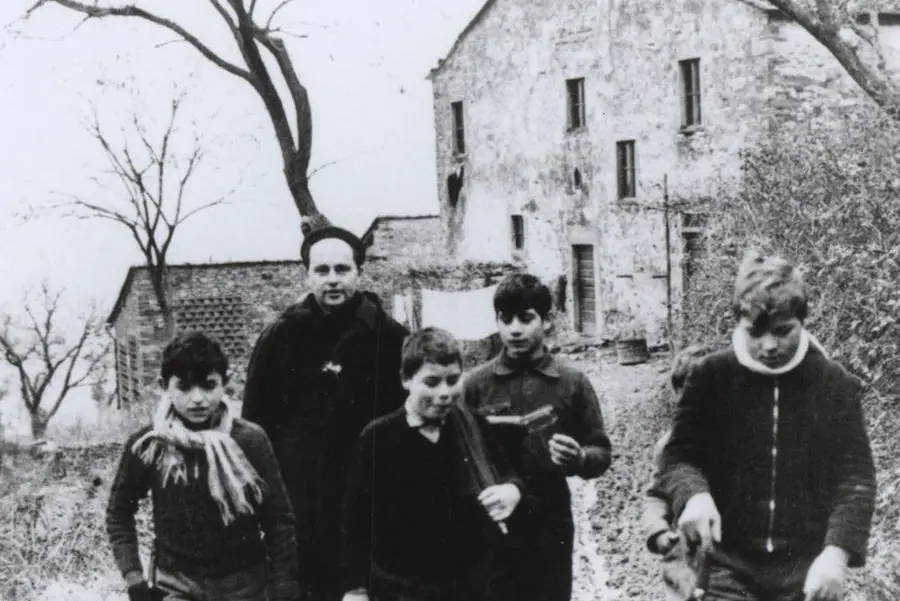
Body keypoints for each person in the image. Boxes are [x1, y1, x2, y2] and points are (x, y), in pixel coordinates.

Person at [658, 252, 876, 601]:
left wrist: (836, 553)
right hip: (726, 562)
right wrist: (694, 496)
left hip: (804, 565)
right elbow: (677, 456)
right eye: (755, 333)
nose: (769, 345)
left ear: (802, 320)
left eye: (782, 331)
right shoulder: (710, 377)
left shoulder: (835, 385)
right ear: (738, 323)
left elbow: (855, 479)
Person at [242, 225, 409, 601]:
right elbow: (254, 426)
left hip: (372, 504)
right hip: (301, 507)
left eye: (341, 269)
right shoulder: (279, 338)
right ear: (307, 275)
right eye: (322, 271)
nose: (332, 280)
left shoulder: (392, 338)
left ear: (359, 274)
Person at [107, 332, 298, 601]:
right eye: (184, 387)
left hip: (246, 585)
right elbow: (119, 512)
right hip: (175, 584)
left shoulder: (249, 440)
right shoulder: (149, 444)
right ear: (165, 386)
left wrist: (283, 581)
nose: (197, 399)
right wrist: (134, 577)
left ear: (225, 384)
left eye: (209, 386)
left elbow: (278, 518)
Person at [340, 327, 525, 601]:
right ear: (406, 379)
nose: (445, 393)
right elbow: (355, 521)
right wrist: (356, 588)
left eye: (453, 380)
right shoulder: (378, 437)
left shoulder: (472, 425)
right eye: (432, 382)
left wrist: (513, 489)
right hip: (402, 589)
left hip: (470, 586)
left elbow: (509, 471)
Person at [463, 273, 612, 601]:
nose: (514, 329)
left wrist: (580, 457)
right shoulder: (474, 385)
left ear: (547, 321)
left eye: (526, 318)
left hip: (550, 521)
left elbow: (601, 452)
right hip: (491, 523)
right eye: (506, 319)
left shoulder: (572, 383)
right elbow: (458, 454)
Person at [642, 344, 717, 601]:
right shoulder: (671, 446)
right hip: (686, 556)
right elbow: (656, 494)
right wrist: (659, 531)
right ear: (678, 396)